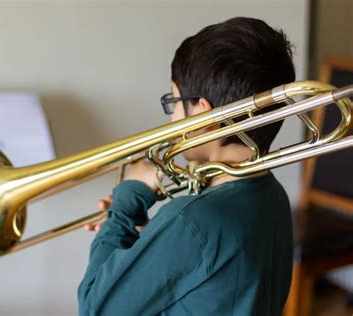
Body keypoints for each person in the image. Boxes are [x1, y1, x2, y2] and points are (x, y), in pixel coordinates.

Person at [78, 17, 295, 316]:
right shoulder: (274, 195)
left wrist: (129, 198)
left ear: (203, 116)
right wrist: (144, 236)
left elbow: (93, 307)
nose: (173, 118)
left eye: (175, 101)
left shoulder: (193, 220)